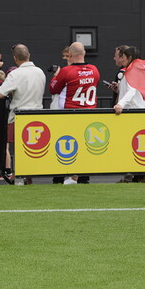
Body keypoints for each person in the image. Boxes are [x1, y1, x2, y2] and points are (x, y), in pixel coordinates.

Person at [49, 42, 100, 184]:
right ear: (84, 53)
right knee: (84, 146)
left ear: (70, 55)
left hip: (71, 114)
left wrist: (56, 76)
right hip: (88, 113)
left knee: (64, 144)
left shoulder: (66, 71)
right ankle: (83, 177)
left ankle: (60, 177)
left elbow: (53, 89)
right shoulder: (94, 70)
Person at [0, 43, 46, 184]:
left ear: (15, 58)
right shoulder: (40, 72)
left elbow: (0, 94)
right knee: (31, 150)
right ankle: (28, 178)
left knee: (17, 149)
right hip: (37, 116)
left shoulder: (15, 74)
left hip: (19, 116)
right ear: (29, 55)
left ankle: (20, 178)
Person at [110, 45, 145, 183]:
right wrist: (118, 90)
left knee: (133, 143)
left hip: (135, 112)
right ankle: (139, 175)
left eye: (123, 57)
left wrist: (120, 104)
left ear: (129, 58)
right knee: (136, 143)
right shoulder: (136, 70)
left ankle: (136, 174)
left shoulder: (133, 71)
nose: (120, 59)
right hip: (139, 110)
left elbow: (132, 90)